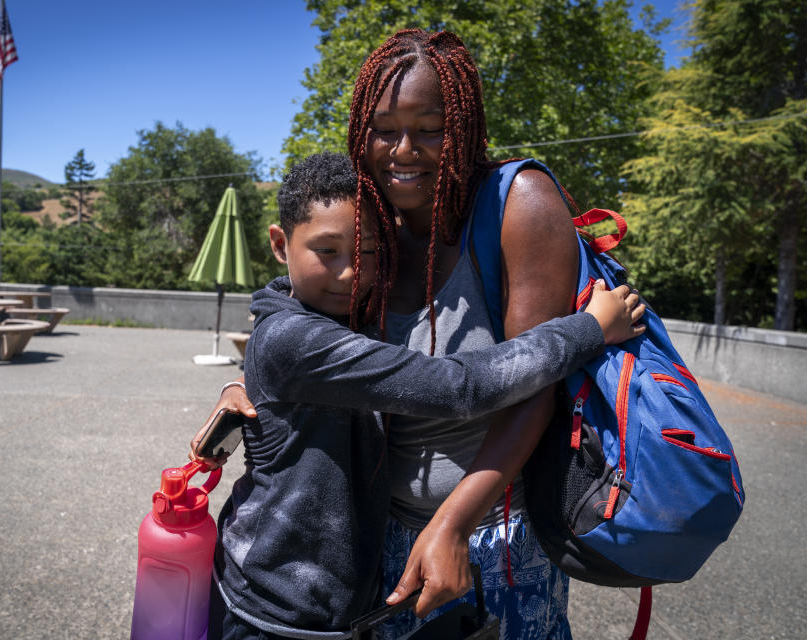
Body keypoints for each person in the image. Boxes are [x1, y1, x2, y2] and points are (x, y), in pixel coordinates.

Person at [206, 29, 619, 639]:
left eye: (431, 127)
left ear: (467, 128)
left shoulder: (518, 202)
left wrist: (454, 524)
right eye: (384, 128)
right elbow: (306, 305)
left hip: (490, 537)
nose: (405, 149)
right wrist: (251, 383)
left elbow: (531, 391)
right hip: (379, 547)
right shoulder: (376, 223)